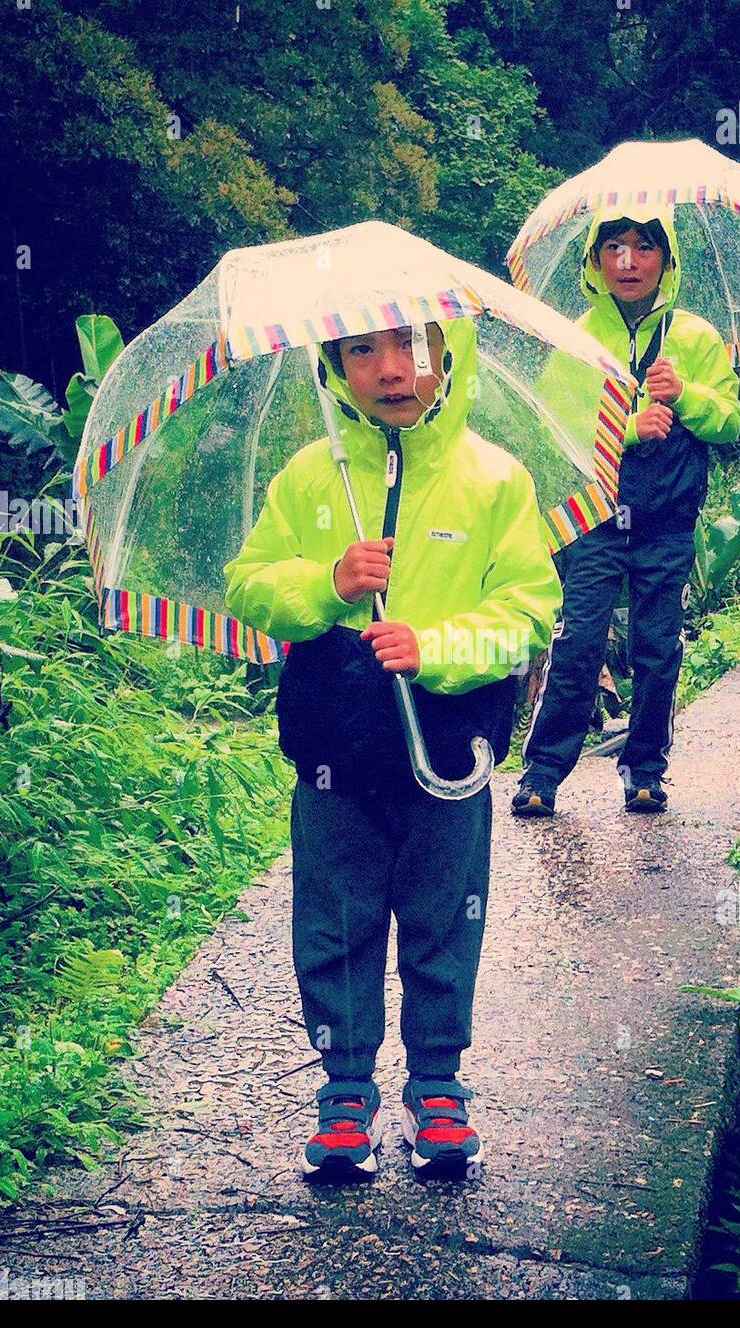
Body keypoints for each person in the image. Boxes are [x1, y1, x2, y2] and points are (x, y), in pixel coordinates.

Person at [222, 317, 561, 1180]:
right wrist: (327, 583)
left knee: (445, 921)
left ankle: (439, 1086)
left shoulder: (495, 480)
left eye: (411, 345)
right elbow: (250, 585)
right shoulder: (308, 477)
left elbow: (528, 610)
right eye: (362, 350)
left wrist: (437, 647)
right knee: (335, 923)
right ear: (335, 365)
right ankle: (344, 1092)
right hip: (333, 754)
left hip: (449, 757)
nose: (391, 368)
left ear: (447, 354)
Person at [512, 211, 740, 817]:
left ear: (666, 259)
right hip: (595, 518)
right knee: (579, 640)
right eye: (613, 247)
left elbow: (729, 420)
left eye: (643, 247)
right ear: (595, 259)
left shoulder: (695, 338)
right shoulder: (577, 340)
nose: (628, 262)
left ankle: (645, 770)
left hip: (667, 518)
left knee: (658, 647)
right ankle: (542, 772)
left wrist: (685, 394)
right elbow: (554, 433)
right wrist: (628, 430)